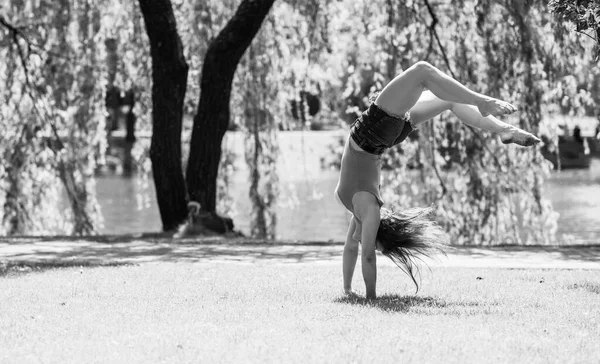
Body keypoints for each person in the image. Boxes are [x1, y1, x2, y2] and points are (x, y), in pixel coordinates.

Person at [335, 61, 541, 299]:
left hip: (383, 134)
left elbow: (351, 248)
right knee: (422, 71)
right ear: (377, 231)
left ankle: (505, 130)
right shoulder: (365, 209)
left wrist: (348, 290)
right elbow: (366, 256)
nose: (366, 244)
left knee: (449, 101)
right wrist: (371, 297)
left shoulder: (362, 213)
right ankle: (482, 102)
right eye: (372, 241)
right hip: (373, 129)